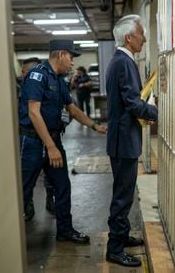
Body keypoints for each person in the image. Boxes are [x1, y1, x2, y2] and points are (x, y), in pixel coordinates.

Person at [19, 39, 107, 244]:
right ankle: (6, 236)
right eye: (71, 57)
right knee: (23, 189)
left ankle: (65, 231)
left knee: (62, 186)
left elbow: (72, 109)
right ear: (60, 55)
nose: (73, 62)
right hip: (33, 142)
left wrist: (95, 126)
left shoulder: (59, 79)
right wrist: (50, 147)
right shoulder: (37, 76)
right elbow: (33, 113)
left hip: (53, 140)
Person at [105, 14, 158, 267]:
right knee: (123, 196)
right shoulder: (123, 63)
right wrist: (159, 114)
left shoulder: (121, 61)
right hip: (123, 139)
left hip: (123, 137)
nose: (144, 39)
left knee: (124, 191)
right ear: (129, 37)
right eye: (141, 34)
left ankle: (122, 236)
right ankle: (114, 248)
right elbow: (133, 103)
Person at [17, 57, 56, 220]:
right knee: (27, 177)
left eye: (26, 71)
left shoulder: (45, 83)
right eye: (26, 72)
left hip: (45, 136)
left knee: (51, 174)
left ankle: (49, 199)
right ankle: (27, 205)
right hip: (26, 135)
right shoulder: (17, 87)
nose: (25, 74)